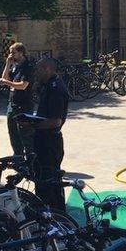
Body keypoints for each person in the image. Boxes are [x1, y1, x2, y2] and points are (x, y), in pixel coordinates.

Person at [29, 57, 70, 211]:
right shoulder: (47, 85)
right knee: (41, 176)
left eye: (38, 69)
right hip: (42, 138)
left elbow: (55, 121)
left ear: (47, 69)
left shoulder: (56, 88)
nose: (36, 73)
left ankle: (58, 213)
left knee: (51, 178)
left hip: (50, 140)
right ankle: (42, 208)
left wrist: (32, 123)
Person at [0, 42, 34, 156]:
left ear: (21, 53)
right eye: (10, 53)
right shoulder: (15, 66)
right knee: (13, 133)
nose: (11, 55)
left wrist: (6, 82)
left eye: (13, 53)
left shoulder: (27, 67)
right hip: (12, 104)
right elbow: (5, 79)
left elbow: (23, 85)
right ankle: (17, 156)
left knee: (25, 134)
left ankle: (30, 160)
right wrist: (7, 64)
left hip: (24, 105)